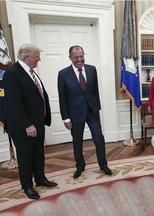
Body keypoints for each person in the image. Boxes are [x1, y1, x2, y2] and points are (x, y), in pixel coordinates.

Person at [3, 43, 57, 200]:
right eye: (37, 56)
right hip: (23, 126)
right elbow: (14, 103)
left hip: (37, 123)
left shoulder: (30, 72)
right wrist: (27, 124)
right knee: (26, 156)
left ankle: (40, 179)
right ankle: (27, 186)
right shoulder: (12, 74)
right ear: (26, 57)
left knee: (38, 153)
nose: (39, 59)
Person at [57, 45, 112, 179]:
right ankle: (80, 166)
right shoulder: (63, 74)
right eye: (76, 57)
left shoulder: (92, 69)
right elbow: (62, 98)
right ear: (70, 58)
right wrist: (66, 118)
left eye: (82, 56)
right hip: (75, 114)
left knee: (99, 138)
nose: (80, 59)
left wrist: (97, 108)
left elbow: (95, 91)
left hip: (92, 112)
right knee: (77, 142)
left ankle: (103, 165)